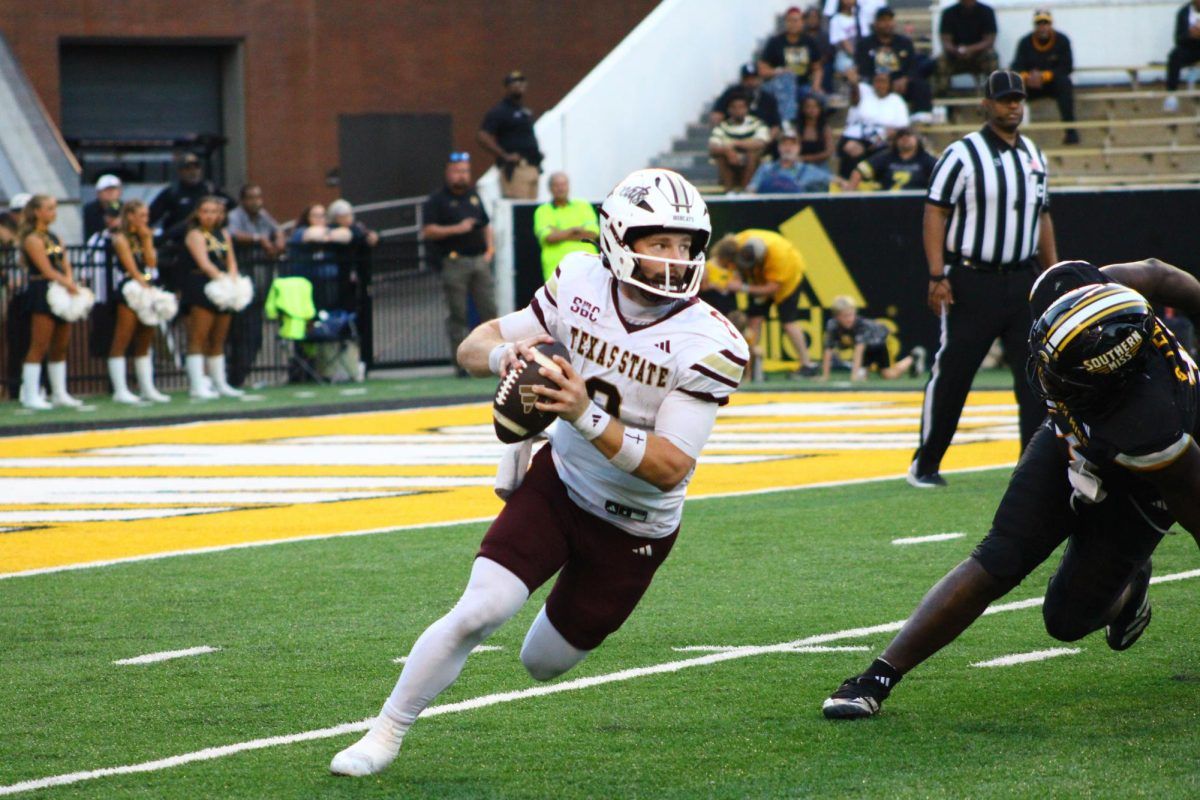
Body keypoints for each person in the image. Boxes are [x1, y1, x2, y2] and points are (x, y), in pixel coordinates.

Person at [329, 168, 747, 777]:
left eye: (685, 245)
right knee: (480, 609)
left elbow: (669, 467)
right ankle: (385, 732)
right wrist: (508, 355)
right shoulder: (579, 280)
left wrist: (582, 413)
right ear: (619, 238)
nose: (675, 259)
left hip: (635, 524)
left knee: (543, 662)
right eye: (660, 243)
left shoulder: (709, 340)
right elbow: (474, 345)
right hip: (560, 484)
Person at [822, 258, 1200, 719]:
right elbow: (1159, 273)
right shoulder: (1071, 288)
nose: (1046, 374)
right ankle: (876, 677)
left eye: (1062, 372)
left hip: (1142, 482)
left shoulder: (1155, 430)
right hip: (1072, 439)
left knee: (1066, 621)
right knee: (1000, 555)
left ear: (1106, 378)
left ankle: (1128, 586)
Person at [910, 70, 1057, 488]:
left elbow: (1043, 217)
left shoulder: (1035, 155)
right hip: (973, 279)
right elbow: (935, 211)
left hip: (1023, 280)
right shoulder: (961, 153)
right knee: (954, 373)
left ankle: (1032, 467)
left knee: (1035, 378)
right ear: (986, 104)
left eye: (1018, 99)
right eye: (1005, 99)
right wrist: (937, 274)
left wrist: (1052, 275)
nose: (1013, 106)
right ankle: (926, 463)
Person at [422, 152, 496, 374]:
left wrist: (489, 249)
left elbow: (485, 224)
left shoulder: (473, 196)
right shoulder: (437, 200)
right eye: (457, 171)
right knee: (458, 314)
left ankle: (494, 358)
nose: (461, 175)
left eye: (465, 171)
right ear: (448, 173)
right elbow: (428, 231)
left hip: (479, 260)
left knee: (489, 310)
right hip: (454, 262)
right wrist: (457, 228)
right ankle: (462, 364)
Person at [717, 229, 819, 377]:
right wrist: (736, 276)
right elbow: (731, 264)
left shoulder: (780, 257)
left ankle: (806, 364)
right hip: (758, 279)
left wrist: (742, 287)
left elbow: (772, 288)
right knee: (754, 320)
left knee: (788, 322)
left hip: (787, 283)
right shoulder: (738, 242)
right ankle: (749, 366)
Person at [16, 195, 85, 409]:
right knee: (39, 344)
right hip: (42, 290)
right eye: (49, 208)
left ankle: (59, 393)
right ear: (37, 212)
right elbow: (46, 270)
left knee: (60, 345)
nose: (54, 212)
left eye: (54, 208)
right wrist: (68, 283)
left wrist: (70, 281)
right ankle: (31, 394)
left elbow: (65, 264)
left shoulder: (55, 237)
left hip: (61, 290)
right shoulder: (32, 239)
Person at [106, 200, 170, 404]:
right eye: (141, 215)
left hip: (146, 286)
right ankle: (120, 390)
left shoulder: (144, 236)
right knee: (122, 338)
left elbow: (151, 263)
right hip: (130, 289)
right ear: (130, 216)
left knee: (145, 339)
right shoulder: (120, 237)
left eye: (146, 215)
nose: (145, 219)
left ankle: (147, 388)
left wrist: (147, 239)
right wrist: (145, 288)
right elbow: (131, 268)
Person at [180, 196, 242, 399]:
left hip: (223, 286)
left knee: (218, 338)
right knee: (198, 337)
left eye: (213, 211)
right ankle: (197, 385)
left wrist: (232, 281)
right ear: (198, 213)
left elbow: (231, 261)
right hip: (201, 286)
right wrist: (222, 281)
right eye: (205, 211)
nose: (209, 215)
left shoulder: (223, 233)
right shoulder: (195, 234)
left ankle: (220, 383)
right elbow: (204, 263)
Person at [1011, 10, 1078, 144]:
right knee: (1013, 86)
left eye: (1046, 23)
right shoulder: (1025, 42)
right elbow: (1016, 66)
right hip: (1030, 86)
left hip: (1053, 85)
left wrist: (1045, 76)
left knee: (1065, 83)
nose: (1043, 27)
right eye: (1039, 23)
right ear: (1034, 25)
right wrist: (1027, 77)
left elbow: (1067, 67)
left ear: (1051, 24)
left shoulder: (1062, 40)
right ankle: (1011, 134)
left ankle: (1071, 132)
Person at [820, 295, 922, 380]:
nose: (849, 319)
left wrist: (854, 376)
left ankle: (913, 358)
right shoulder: (832, 325)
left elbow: (859, 351)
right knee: (862, 376)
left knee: (889, 375)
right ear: (837, 317)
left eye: (851, 315)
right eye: (845, 316)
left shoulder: (861, 325)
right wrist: (825, 376)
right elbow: (828, 350)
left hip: (880, 344)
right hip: (867, 349)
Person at [856, 6, 932, 116]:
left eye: (890, 20)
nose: (887, 24)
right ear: (876, 23)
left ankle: (921, 116)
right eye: (883, 20)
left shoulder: (904, 43)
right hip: (876, 83)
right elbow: (863, 69)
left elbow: (913, 66)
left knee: (921, 85)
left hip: (900, 82)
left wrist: (905, 79)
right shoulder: (865, 44)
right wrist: (883, 81)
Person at [478, 70, 543, 199]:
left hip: (532, 166)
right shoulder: (500, 111)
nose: (519, 85)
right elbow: (483, 135)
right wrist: (504, 155)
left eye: (522, 82)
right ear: (507, 87)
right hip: (516, 168)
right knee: (519, 206)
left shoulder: (524, 111)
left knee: (532, 208)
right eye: (515, 82)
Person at [837, 68, 910, 179]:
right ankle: (848, 182)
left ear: (889, 84)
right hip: (857, 137)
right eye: (877, 81)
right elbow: (854, 99)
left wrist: (884, 137)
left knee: (885, 153)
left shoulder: (896, 100)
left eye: (883, 81)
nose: (880, 85)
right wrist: (854, 83)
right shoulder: (864, 90)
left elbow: (902, 128)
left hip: (883, 140)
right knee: (852, 149)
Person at [759, 6, 826, 123]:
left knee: (821, 98)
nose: (793, 24)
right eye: (789, 20)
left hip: (802, 85)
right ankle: (788, 122)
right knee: (788, 79)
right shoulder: (775, 42)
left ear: (802, 22)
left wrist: (816, 86)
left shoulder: (809, 42)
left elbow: (817, 68)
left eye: (796, 20)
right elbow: (762, 70)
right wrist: (779, 71)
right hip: (778, 85)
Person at [149, 153, 234, 239]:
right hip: (179, 239)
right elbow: (151, 216)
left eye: (196, 168)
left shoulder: (210, 189)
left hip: (208, 237)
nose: (193, 172)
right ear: (180, 171)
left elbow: (232, 207)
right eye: (188, 168)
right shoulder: (172, 192)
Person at [533, 172, 599, 281]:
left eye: (563, 184)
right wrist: (575, 230)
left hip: (588, 269)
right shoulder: (542, 211)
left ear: (568, 186)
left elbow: (593, 234)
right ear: (550, 188)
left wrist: (559, 232)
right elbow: (549, 238)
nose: (561, 188)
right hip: (557, 272)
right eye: (556, 185)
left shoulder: (583, 205)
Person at [708, 93, 772, 192]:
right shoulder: (722, 127)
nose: (738, 110)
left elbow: (761, 143)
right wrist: (727, 151)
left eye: (741, 107)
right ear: (729, 109)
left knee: (752, 154)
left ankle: (746, 191)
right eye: (734, 107)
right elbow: (712, 147)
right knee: (721, 156)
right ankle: (729, 192)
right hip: (731, 163)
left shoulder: (757, 124)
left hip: (754, 164)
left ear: (746, 109)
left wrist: (735, 144)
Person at [935, 0, 999, 95]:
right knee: (941, 59)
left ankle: (995, 92)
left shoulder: (987, 11)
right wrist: (956, 50)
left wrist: (970, 49)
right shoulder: (948, 13)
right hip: (955, 55)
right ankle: (942, 93)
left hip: (979, 55)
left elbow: (989, 40)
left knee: (992, 56)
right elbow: (946, 41)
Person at [845, 127, 937, 191]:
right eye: (900, 136)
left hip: (916, 204)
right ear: (895, 141)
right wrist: (849, 195)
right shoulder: (885, 157)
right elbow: (859, 171)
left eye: (908, 135)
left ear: (917, 139)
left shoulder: (926, 159)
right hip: (887, 204)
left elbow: (939, 174)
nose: (904, 138)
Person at [747, 126, 833, 194]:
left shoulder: (809, 170)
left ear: (799, 148)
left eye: (792, 144)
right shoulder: (766, 169)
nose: (788, 148)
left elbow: (834, 181)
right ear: (778, 147)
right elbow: (751, 189)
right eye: (784, 144)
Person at [710, 63, 783, 133]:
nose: (750, 82)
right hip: (733, 135)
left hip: (760, 137)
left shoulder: (768, 98)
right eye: (747, 79)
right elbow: (717, 115)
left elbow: (776, 126)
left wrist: (765, 138)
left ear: (759, 78)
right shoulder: (730, 94)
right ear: (741, 79)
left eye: (753, 78)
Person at [227, 184, 286, 257]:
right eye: (251, 198)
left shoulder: (263, 214)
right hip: (243, 260)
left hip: (264, 260)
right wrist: (258, 238)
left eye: (258, 197)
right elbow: (232, 234)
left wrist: (280, 239)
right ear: (242, 200)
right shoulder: (234, 215)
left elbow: (277, 228)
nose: (255, 202)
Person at [1163, 0, 1200, 113]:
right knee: (1174, 56)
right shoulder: (1183, 12)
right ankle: (1171, 95)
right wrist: (1190, 35)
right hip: (1190, 48)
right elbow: (1178, 39)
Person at [82, 174, 122, 241]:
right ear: (98, 193)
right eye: (106, 190)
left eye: (113, 189)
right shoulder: (89, 210)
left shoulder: (124, 209)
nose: (110, 193)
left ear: (120, 192)